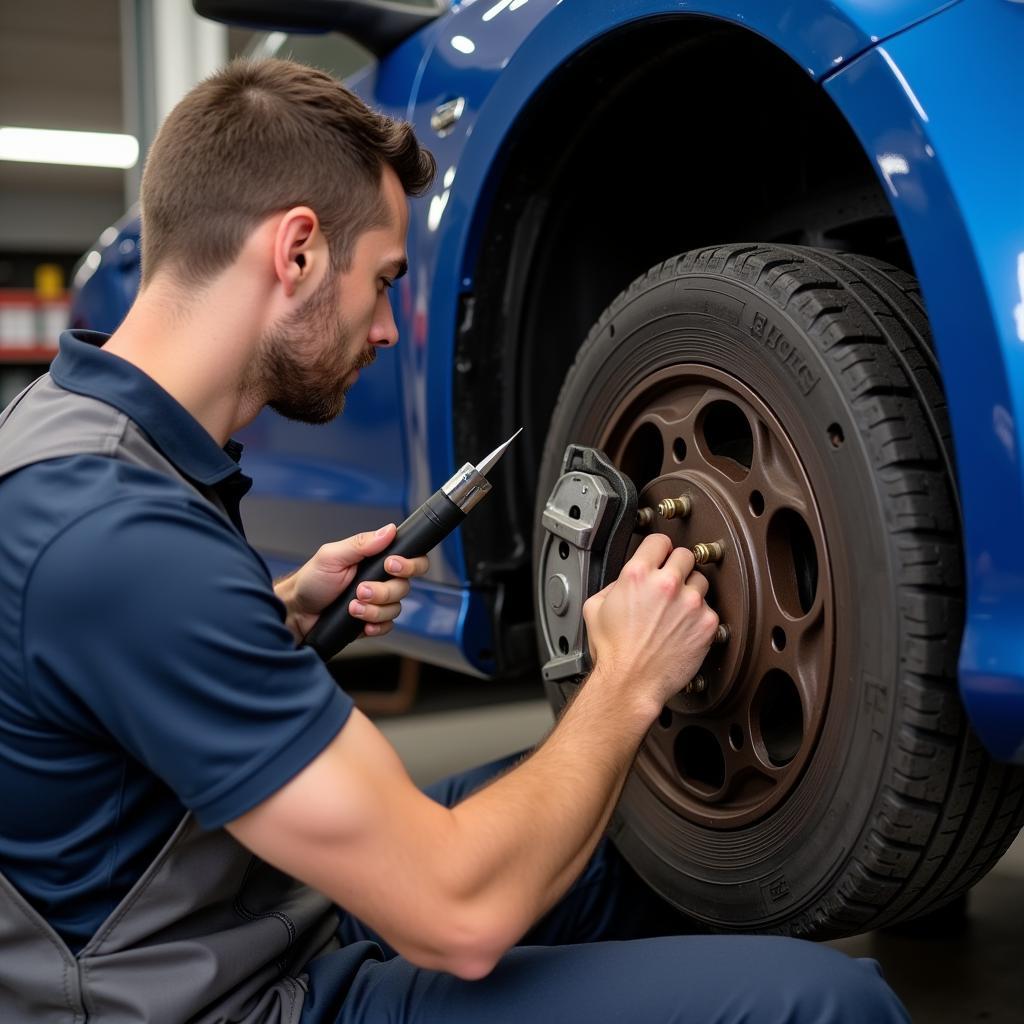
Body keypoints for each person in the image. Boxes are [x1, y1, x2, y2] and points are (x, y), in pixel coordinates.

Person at [0, 58, 908, 1023]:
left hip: (238, 906)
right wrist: (626, 681)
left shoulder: (74, 440)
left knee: (641, 849)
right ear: (297, 251)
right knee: (827, 1004)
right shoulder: (120, 538)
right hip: (222, 998)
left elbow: (100, 689)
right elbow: (458, 913)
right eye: (384, 282)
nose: (388, 328)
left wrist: (279, 618)